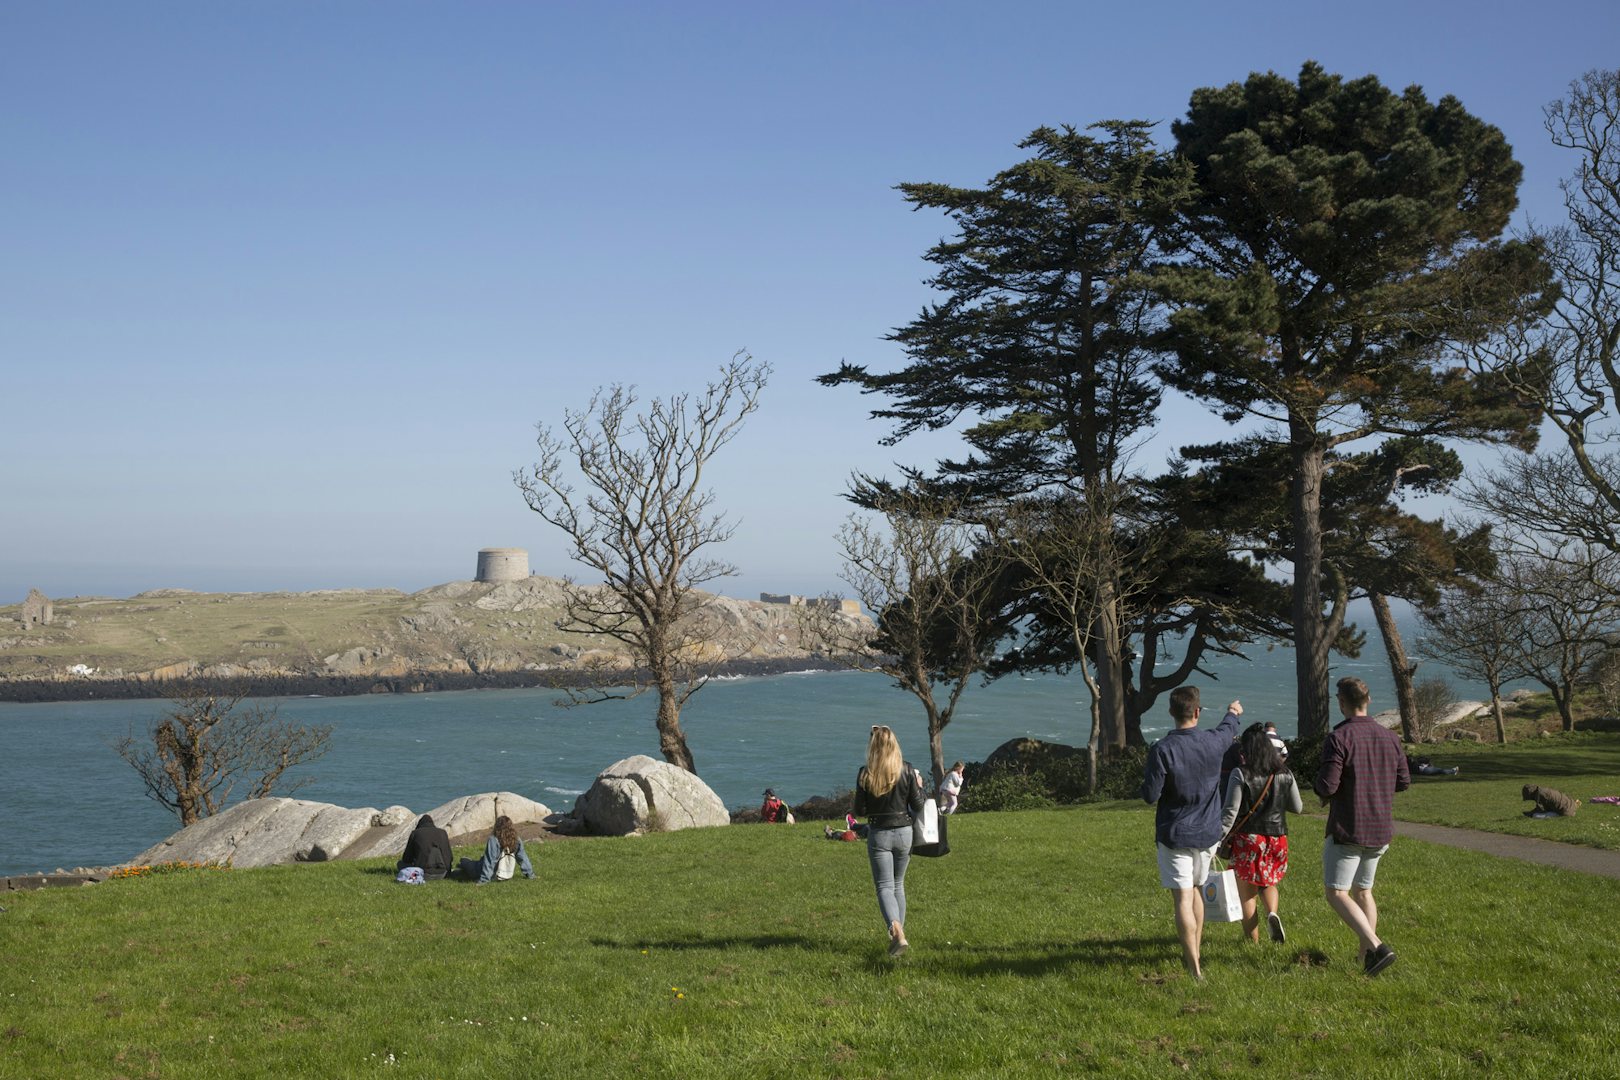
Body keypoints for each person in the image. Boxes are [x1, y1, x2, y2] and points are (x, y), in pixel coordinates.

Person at [1141, 688, 1242, 981]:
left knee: (1183, 898)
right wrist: (1233, 711)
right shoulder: (1213, 741)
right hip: (1208, 834)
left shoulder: (1162, 750)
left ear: (1172, 712)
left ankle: (1194, 966)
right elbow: (1228, 728)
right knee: (1197, 889)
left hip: (1175, 834)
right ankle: (1195, 953)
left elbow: (1150, 795)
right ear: (1197, 712)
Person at [1315, 676, 1410, 977]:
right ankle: (1366, 958)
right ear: (1368, 701)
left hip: (1349, 828)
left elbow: (1328, 785)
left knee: (1336, 893)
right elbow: (1403, 782)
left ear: (1341, 703)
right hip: (1380, 829)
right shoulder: (1390, 738)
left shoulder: (1339, 738)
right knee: (1364, 891)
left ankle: (1377, 945)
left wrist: (1318, 787)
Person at [1219, 723, 1304, 944]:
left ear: (1247, 751)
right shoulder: (1285, 773)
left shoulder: (1240, 773)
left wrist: (1217, 838)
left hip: (1249, 839)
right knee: (1268, 881)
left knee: (1246, 893)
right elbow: (1298, 807)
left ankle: (1252, 942)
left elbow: (1230, 812)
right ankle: (1272, 914)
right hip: (1277, 839)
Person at [852, 724, 926, 957]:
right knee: (898, 885)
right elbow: (919, 805)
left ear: (872, 747)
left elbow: (859, 810)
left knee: (884, 886)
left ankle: (897, 933)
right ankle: (898, 938)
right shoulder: (907, 770)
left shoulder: (866, 773)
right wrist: (920, 787)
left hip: (880, 833)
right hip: (905, 832)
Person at [458, 815, 536, 884]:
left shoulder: (494, 839)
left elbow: (490, 861)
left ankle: (461, 865)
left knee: (464, 861)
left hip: (484, 871)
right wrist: (530, 875)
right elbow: (522, 858)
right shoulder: (516, 840)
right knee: (470, 864)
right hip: (504, 874)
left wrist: (484, 880)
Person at [397, 814, 453, 881]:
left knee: (400, 864)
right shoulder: (443, 833)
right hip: (443, 874)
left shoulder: (415, 833)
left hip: (422, 874)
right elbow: (450, 856)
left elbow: (406, 858)